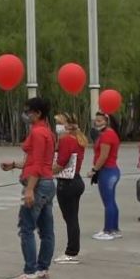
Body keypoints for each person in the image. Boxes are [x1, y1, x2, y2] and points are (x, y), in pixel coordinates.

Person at [0, 97, 56, 279]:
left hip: (38, 184)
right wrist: (15, 165)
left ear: (38, 113)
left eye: (28, 111)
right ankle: (42, 270)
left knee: (26, 228)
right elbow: (37, 161)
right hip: (48, 184)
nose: (26, 115)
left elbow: (38, 164)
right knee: (46, 230)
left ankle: (30, 273)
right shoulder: (47, 132)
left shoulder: (38, 133)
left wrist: (30, 189)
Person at [52, 113, 86, 265]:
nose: (57, 126)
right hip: (76, 180)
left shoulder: (67, 140)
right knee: (72, 218)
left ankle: (71, 252)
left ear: (67, 125)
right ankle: (73, 250)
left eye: (59, 123)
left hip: (67, 183)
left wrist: (45, 172)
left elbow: (61, 163)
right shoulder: (78, 139)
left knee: (70, 219)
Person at [88, 111, 122, 241]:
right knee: (111, 201)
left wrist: (94, 170)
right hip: (111, 171)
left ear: (106, 121)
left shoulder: (107, 135)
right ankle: (114, 229)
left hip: (107, 171)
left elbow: (103, 156)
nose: (97, 123)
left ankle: (108, 230)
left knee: (108, 202)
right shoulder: (108, 134)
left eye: (100, 121)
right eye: (96, 120)